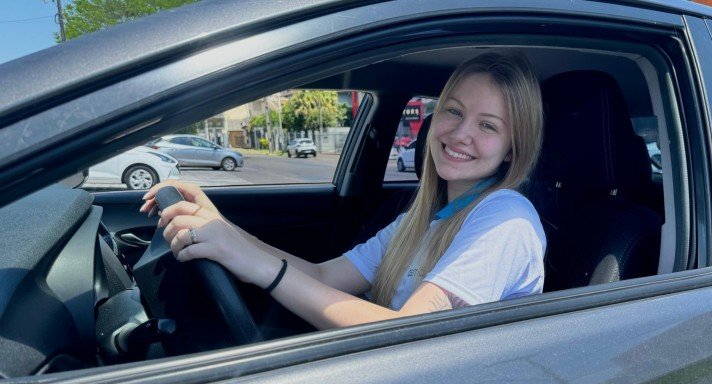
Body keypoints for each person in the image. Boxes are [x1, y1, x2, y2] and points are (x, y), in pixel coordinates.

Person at [141, 52, 547, 331]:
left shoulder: (507, 219)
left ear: (513, 147)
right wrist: (222, 227)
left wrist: (254, 263)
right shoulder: (423, 219)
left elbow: (413, 334)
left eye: (488, 125)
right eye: (454, 111)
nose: (460, 134)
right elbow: (325, 276)